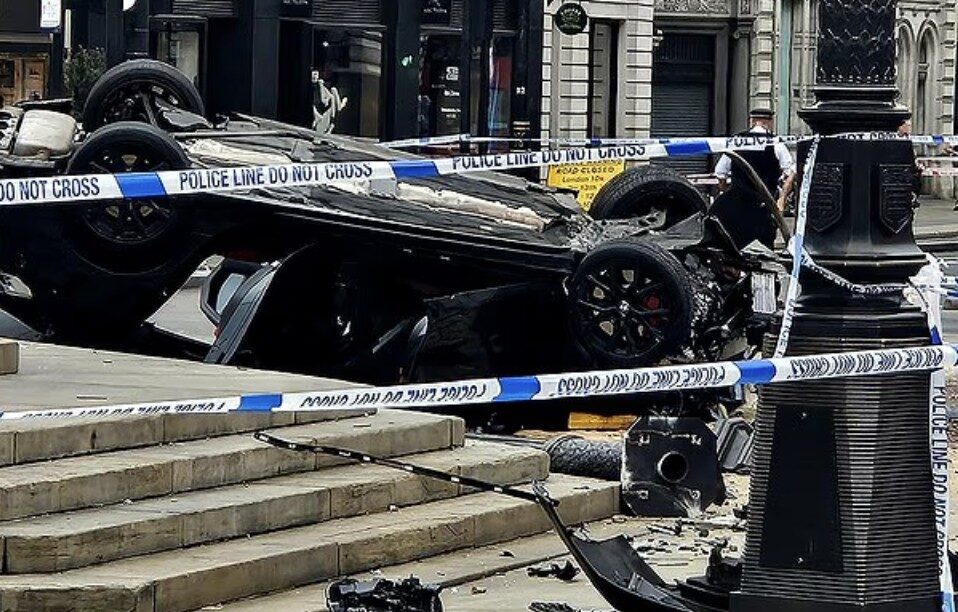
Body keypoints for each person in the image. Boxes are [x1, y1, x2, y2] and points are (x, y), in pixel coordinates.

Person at [711, 108, 794, 249]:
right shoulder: (776, 143)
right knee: (764, 246)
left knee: (735, 242)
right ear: (769, 122)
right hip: (764, 206)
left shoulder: (737, 141)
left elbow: (720, 172)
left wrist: (726, 189)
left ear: (752, 121)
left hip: (738, 203)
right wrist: (781, 199)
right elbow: (790, 173)